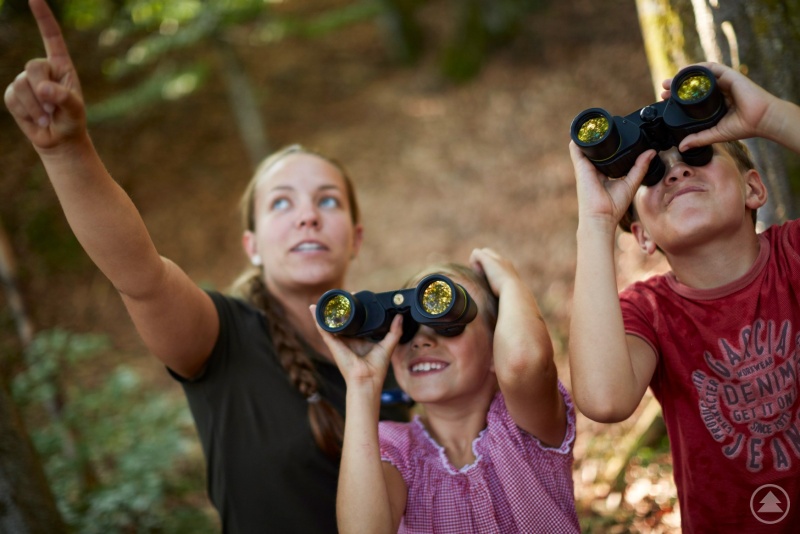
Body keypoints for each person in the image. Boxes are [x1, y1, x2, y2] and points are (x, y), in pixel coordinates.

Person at [4, 1, 407, 532]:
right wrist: (66, 152)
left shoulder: (394, 342)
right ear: (252, 245)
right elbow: (140, 276)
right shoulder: (222, 338)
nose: (307, 215)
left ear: (355, 238)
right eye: (281, 203)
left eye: (328, 201)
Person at [568, 61, 800, 532]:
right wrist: (595, 222)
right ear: (642, 236)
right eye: (651, 174)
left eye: (698, 153)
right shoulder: (649, 313)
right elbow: (605, 400)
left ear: (754, 188)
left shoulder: (793, 254)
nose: (675, 172)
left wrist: (770, 117)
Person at [314, 247, 580, 533]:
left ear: (496, 349)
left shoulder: (523, 428)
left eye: (448, 325)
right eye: (407, 330)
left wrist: (509, 283)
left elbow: (522, 361)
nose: (421, 342)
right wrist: (362, 385)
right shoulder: (395, 449)